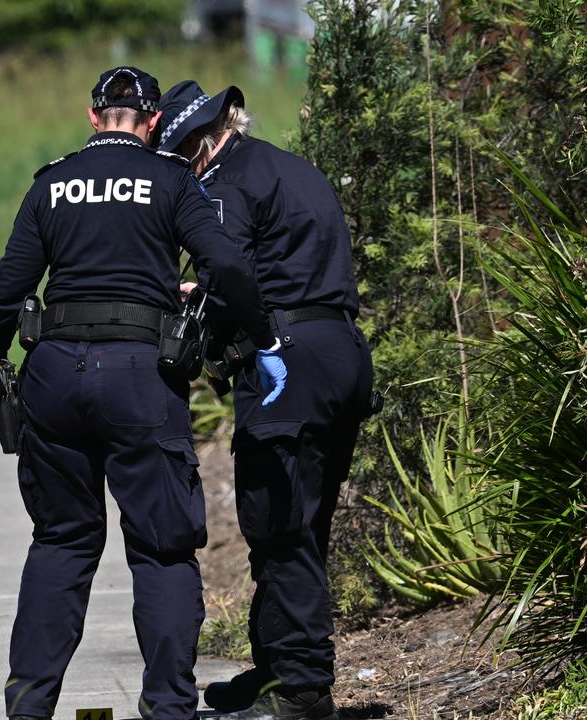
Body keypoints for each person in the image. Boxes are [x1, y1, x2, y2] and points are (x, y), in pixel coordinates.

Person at [0, 66, 288, 720]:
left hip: (55, 373)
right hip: (142, 376)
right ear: (150, 124)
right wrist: (261, 336)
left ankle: (29, 705)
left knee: (61, 543)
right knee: (162, 547)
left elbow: (8, 287)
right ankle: (169, 707)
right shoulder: (171, 180)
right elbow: (225, 263)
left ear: (93, 118)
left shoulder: (52, 183)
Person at [154, 80, 375, 720]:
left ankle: (304, 689)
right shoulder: (290, 167)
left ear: (198, 141)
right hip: (339, 350)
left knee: (280, 526)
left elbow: (232, 272)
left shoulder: (223, 184)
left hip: (288, 361)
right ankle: (279, 668)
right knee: (301, 519)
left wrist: (203, 312)